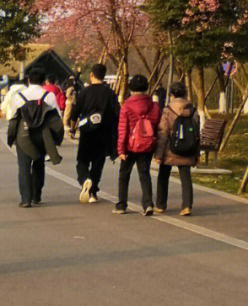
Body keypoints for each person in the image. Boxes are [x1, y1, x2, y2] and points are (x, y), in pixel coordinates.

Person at [5, 68, 63, 207]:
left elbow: (12, 116)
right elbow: (57, 117)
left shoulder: (20, 96)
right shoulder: (48, 96)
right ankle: (36, 195)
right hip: (43, 134)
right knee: (38, 164)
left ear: (28, 80)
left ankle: (25, 199)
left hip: (23, 134)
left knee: (24, 167)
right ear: (43, 81)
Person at [68, 63, 120, 204]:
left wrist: (72, 129)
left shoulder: (85, 92)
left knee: (82, 160)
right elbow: (117, 114)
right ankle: (93, 193)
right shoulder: (110, 93)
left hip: (87, 132)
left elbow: (75, 113)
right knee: (98, 162)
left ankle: (85, 179)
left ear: (91, 75)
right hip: (104, 133)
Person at [114, 74, 160, 216]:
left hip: (130, 146)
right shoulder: (154, 106)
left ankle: (122, 205)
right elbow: (157, 127)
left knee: (124, 175)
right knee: (145, 174)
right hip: (147, 145)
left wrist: (121, 149)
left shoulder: (126, 106)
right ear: (146, 88)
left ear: (131, 89)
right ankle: (148, 204)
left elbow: (123, 129)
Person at [154, 80, 200, 216]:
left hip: (170, 149)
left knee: (163, 176)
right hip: (188, 148)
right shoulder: (193, 110)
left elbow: (163, 133)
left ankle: (161, 205)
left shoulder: (168, 110)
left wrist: (158, 154)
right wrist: (197, 154)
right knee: (186, 177)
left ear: (172, 95)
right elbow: (197, 133)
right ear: (185, 94)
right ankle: (187, 206)